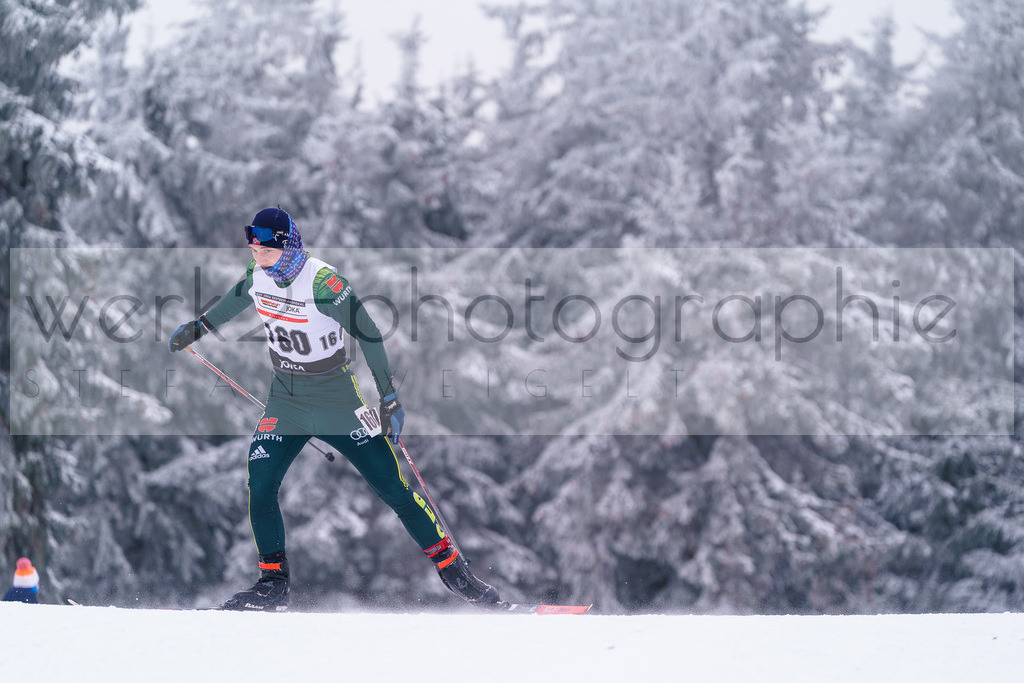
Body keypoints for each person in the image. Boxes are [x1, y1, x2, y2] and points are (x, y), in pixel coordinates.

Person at [169, 207, 501, 612]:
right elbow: (235, 300)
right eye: (251, 241)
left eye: (264, 243)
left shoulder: (325, 283)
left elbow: (370, 334)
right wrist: (199, 327)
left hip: (337, 401)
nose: (256, 249)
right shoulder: (257, 275)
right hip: (286, 399)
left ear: (286, 243)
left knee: (393, 489)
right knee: (260, 480)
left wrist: (389, 398)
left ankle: (457, 575)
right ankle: (272, 584)